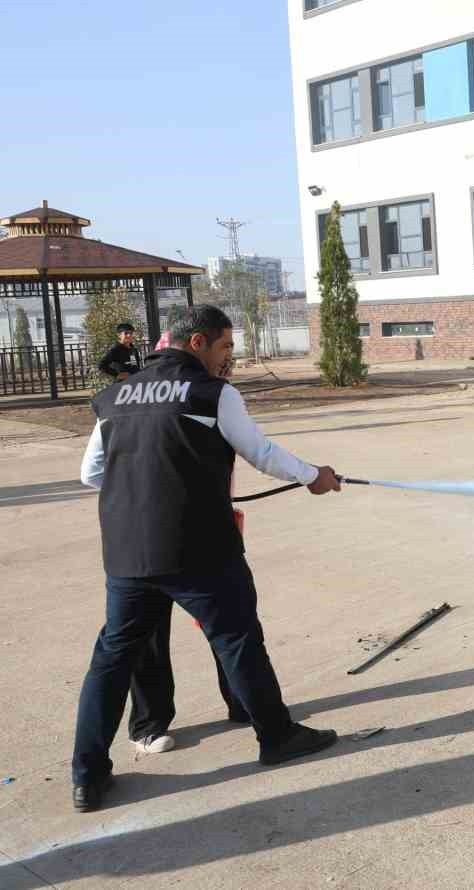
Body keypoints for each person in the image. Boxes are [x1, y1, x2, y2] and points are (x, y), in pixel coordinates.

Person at [71, 305, 340, 813]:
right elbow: (261, 453)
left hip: (128, 553)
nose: (227, 360)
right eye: (224, 348)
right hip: (199, 548)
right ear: (197, 343)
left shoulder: (113, 395)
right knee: (237, 637)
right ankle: (276, 737)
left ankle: (87, 775)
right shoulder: (213, 394)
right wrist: (313, 476)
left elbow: (92, 474)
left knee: (111, 659)